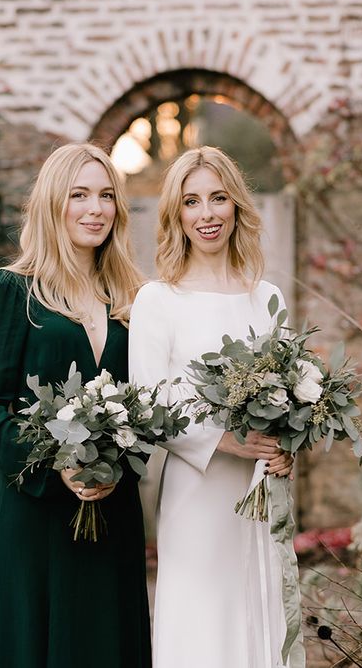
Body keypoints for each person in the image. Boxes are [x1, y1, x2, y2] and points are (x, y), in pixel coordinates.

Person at [0, 143, 151, 668]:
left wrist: (119, 467)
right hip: (33, 513)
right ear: (53, 203)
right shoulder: (11, 290)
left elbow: (150, 404)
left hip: (112, 510)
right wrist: (57, 465)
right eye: (80, 195)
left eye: (107, 196)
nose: (95, 209)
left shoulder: (135, 300)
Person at [128, 146, 299, 667]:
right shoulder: (158, 300)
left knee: (260, 609)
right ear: (176, 215)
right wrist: (225, 440)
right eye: (192, 202)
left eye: (219, 198)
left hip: (260, 493)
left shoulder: (267, 297)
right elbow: (148, 402)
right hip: (196, 494)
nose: (207, 214)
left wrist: (288, 446)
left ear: (236, 207)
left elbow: (291, 394)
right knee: (201, 621)